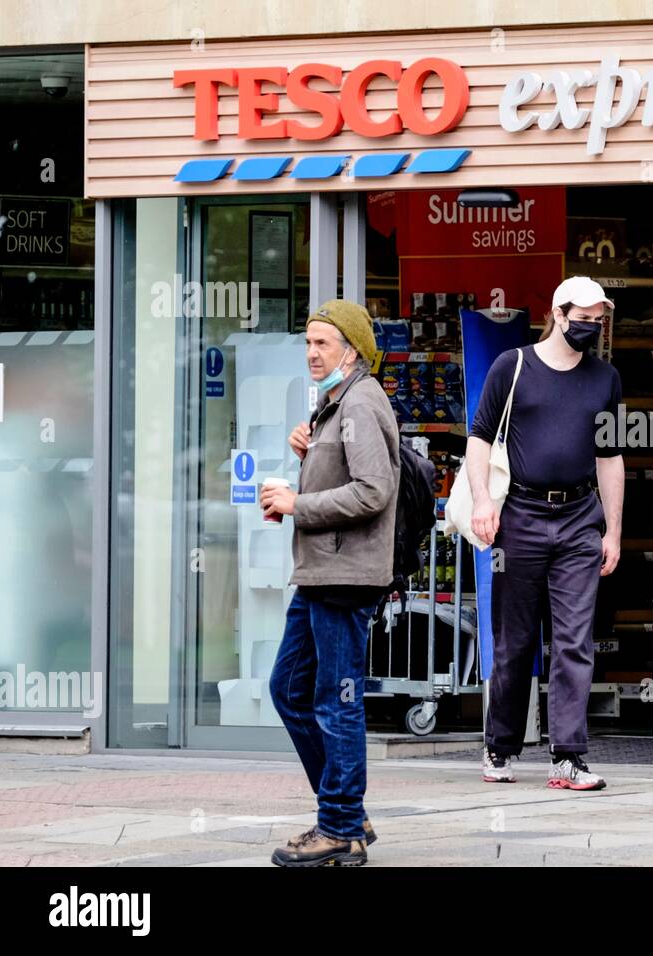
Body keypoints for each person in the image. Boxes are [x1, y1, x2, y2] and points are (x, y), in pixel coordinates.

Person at [467, 276, 625, 791]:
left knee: (575, 640)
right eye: (583, 319)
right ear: (558, 314)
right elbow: (478, 440)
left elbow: (611, 457)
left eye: (597, 321)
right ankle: (501, 744)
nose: (591, 328)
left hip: (580, 516)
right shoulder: (512, 367)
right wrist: (485, 502)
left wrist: (614, 530)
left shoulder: (606, 378)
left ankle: (568, 756)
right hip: (521, 517)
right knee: (513, 641)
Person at [265, 299, 399, 865]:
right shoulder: (336, 404)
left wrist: (298, 503)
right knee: (289, 689)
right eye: (308, 342)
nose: (312, 352)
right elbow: (346, 475)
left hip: (345, 576)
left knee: (335, 701)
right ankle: (344, 810)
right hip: (322, 573)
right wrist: (309, 450)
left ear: (353, 347)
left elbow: (373, 491)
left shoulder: (361, 402)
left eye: (323, 342)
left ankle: (340, 827)